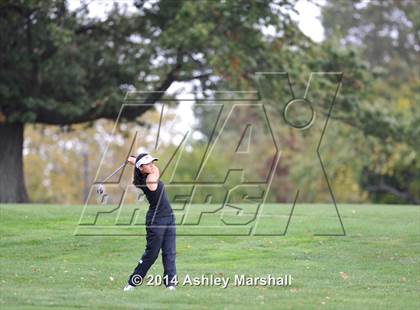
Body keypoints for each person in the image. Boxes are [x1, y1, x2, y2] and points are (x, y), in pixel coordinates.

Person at [123, 153, 177, 291]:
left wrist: (134, 161)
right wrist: (135, 161)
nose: (152, 165)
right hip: (156, 220)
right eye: (148, 164)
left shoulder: (144, 171)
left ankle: (170, 284)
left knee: (169, 252)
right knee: (151, 255)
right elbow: (155, 170)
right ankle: (132, 283)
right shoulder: (149, 180)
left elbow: (146, 166)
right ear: (141, 168)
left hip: (169, 217)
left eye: (152, 162)